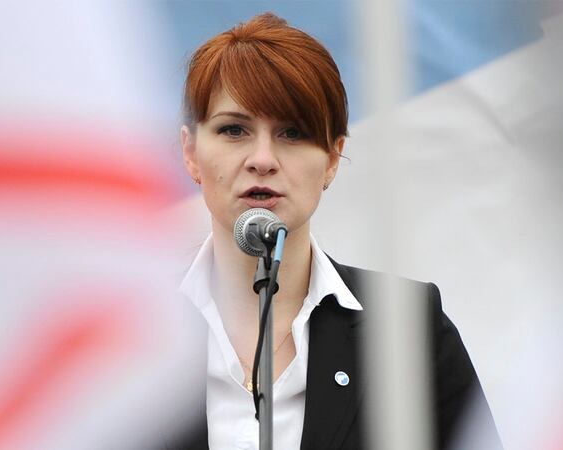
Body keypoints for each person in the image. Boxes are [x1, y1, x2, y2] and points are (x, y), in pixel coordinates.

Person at [170, 12, 499, 450]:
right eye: (234, 130)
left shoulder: (405, 325)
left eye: (292, 133)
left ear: (331, 158)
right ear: (191, 152)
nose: (262, 159)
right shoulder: (134, 327)